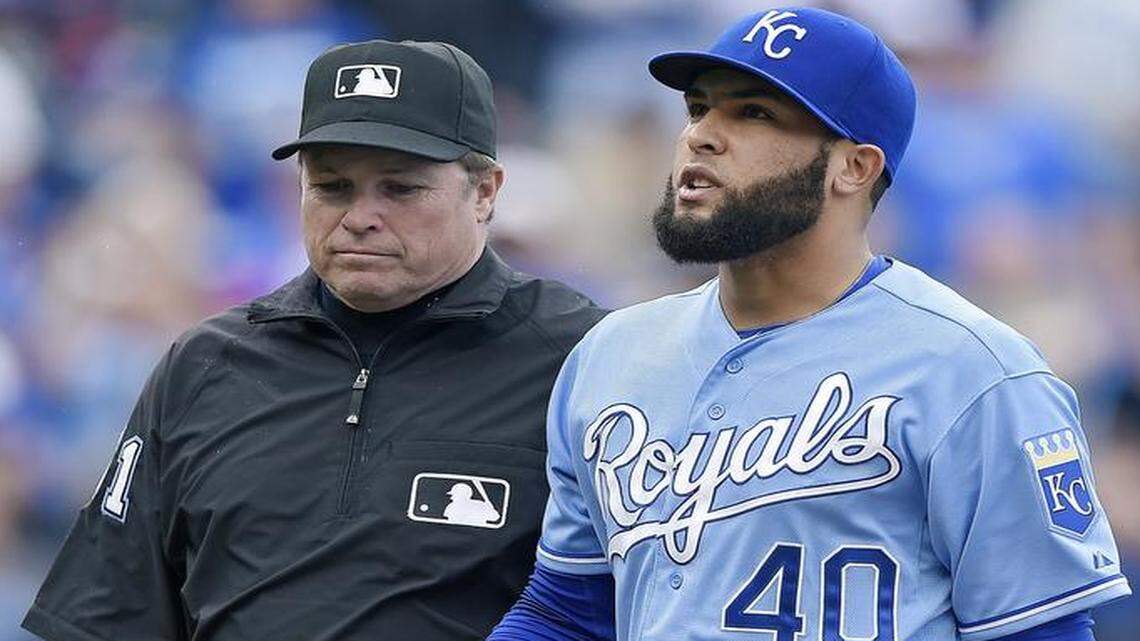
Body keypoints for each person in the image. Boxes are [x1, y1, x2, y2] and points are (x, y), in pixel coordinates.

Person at [489, 7, 1130, 641]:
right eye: (698, 108)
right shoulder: (612, 352)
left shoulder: (975, 371)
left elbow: (1041, 631)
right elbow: (569, 613)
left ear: (855, 167)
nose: (701, 136)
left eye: (754, 113)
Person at [23, 39, 606, 641]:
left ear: (484, 191)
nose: (360, 216)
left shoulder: (584, 360)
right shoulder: (207, 366)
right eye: (332, 186)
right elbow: (108, 618)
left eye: (400, 189)